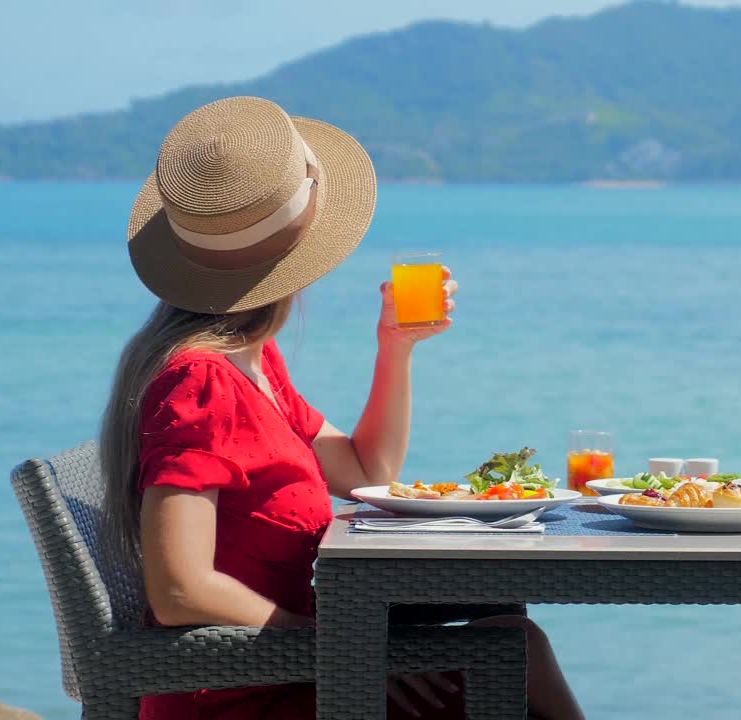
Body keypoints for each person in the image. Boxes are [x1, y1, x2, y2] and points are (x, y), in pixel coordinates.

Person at [100, 96, 584, 720]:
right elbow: (179, 591)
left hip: (300, 653)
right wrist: (344, 649)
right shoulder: (202, 384)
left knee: (509, 629)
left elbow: (364, 473)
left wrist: (396, 347)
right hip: (252, 685)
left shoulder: (253, 360)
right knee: (518, 653)